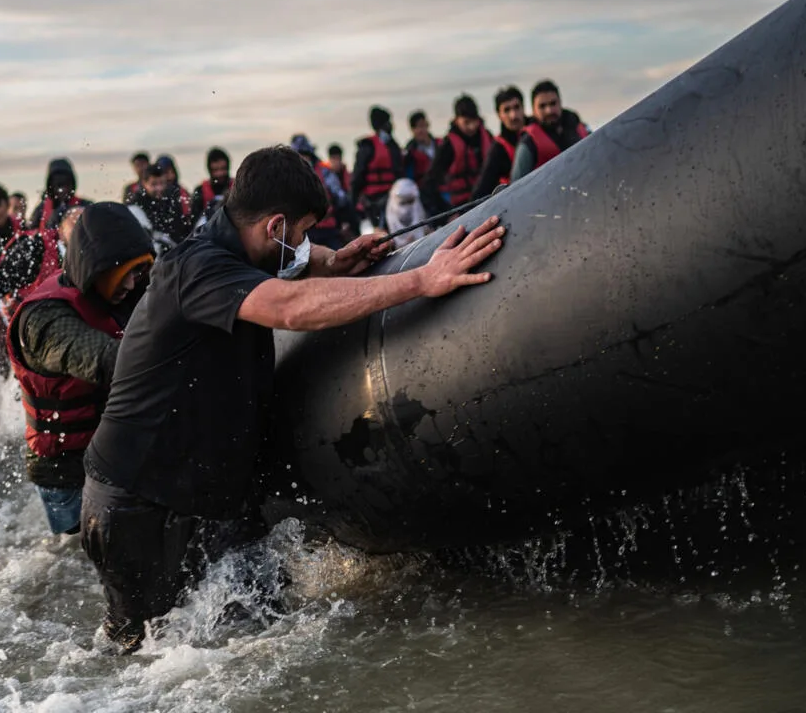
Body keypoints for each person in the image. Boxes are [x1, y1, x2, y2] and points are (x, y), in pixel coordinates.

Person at [81, 145, 506, 653]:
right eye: (301, 233)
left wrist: (335, 260)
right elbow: (289, 306)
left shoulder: (232, 248)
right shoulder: (195, 267)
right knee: (147, 657)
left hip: (205, 497)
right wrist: (419, 279)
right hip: (136, 504)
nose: (305, 244)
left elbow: (287, 272)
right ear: (275, 225)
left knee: (249, 642)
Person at [7, 203, 154, 535]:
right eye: (124, 274)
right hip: (65, 474)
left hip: (113, 459)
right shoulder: (45, 317)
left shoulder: (121, 292)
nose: (132, 285)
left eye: (138, 272)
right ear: (97, 267)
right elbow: (105, 360)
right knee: (76, 561)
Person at [422, 94, 494, 213]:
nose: (471, 127)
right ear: (456, 120)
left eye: (474, 121)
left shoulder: (488, 137)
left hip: (489, 201)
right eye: (466, 122)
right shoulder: (448, 145)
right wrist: (447, 213)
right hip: (461, 209)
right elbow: (429, 183)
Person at [512, 79, 591, 181]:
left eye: (553, 103)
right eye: (542, 106)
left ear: (560, 103)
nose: (549, 110)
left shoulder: (579, 127)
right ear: (533, 110)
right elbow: (515, 187)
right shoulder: (528, 143)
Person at [290, 134, 351, 249]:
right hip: (305, 232)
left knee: (336, 258)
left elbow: (341, 198)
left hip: (328, 228)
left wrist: (343, 220)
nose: (302, 159)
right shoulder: (290, 176)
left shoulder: (325, 172)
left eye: (304, 154)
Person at [350, 106, 403, 228]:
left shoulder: (392, 145)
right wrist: (354, 203)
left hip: (394, 198)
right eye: (388, 122)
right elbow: (357, 176)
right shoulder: (367, 147)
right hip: (374, 201)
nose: (391, 125)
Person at [472, 86, 527, 198]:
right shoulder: (497, 150)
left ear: (523, 108)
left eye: (517, 107)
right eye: (507, 110)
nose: (513, 115)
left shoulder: (543, 129)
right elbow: (481, 191)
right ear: (499, 115)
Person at [132, 164, 192, 244]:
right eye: (154, 184)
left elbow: (179, 228)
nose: (159, 188)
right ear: (144, 183)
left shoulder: (172, 197)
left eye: (162, 183)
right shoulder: (136, 203)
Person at [28, 158, 89, 233]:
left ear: (72, 185)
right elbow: (29, 232)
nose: (62, 190)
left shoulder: (85, 206)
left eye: (66, 184)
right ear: (51, 186)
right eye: (58, 185)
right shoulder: (41, 209)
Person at [190, 147, 234, 227]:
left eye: (223, 169)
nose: (220, 173)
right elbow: (194, 221)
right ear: (210, 170)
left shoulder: (238, 188)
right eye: (216, 170)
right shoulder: (200, 191)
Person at [382, 179, 431, 249]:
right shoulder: (383, 217)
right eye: (403, 203)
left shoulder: (425, 208)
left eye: (410, 202)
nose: (406, 208)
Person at [403, 110, 439, 183]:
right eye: (417, 127)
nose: (421, 130)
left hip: (441, 185)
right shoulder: (410, 151)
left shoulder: (440, 144)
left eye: (423, 126)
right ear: (412, 130)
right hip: (422, 187)